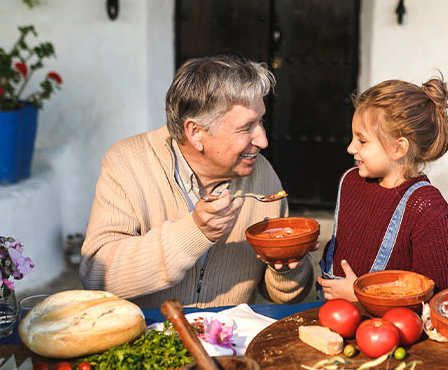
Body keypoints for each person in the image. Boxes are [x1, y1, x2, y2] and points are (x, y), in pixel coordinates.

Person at [80, 56, 315, 309]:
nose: (263, 140)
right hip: (145, 338)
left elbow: (284, 296)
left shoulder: (262, 172)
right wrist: (194, 233)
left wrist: (287, 267)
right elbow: (96, 276)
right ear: (196, 133)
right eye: (247, 127)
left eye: (261, 122)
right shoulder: (128, 163)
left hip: (228, 342)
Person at [317, 76, 448, 301]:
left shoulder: (429, 210)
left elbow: (434, 296)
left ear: (398, 148)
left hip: (391, 329)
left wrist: (364, 294)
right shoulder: (351, 181)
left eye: (362, 141)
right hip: (333, 314)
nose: (350, 147)